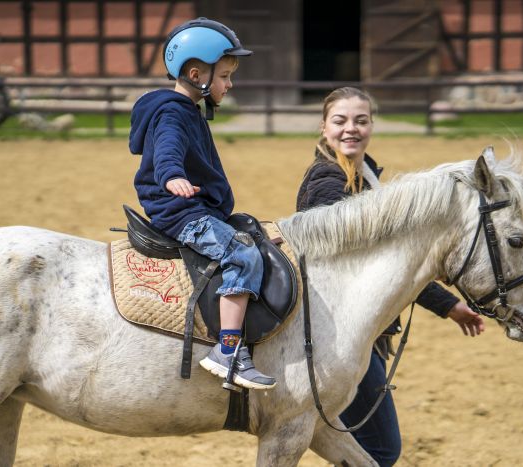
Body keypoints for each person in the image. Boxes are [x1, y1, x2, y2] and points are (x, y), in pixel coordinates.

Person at [296, 87, 485, 466]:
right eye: (340, 121)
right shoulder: (327, 186)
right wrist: (447, 305)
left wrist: (449, 306)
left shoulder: (365, 177)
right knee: (380, 450)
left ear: (371, 125)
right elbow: (386, 264)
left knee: (364, 446)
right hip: (337, 335)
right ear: (323, 127)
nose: (351, 129)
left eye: (361, 121)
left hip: (362, 331)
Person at [128, 18, 275, 390]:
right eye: (225, 76)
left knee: (253, 234)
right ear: (196, 73)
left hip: (198, 209)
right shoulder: (173, 112)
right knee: (242, 257)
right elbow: (167, 149)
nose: (229, 84)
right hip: (181, 213)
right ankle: (227, 352)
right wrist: (171, 176)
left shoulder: (189, 108)